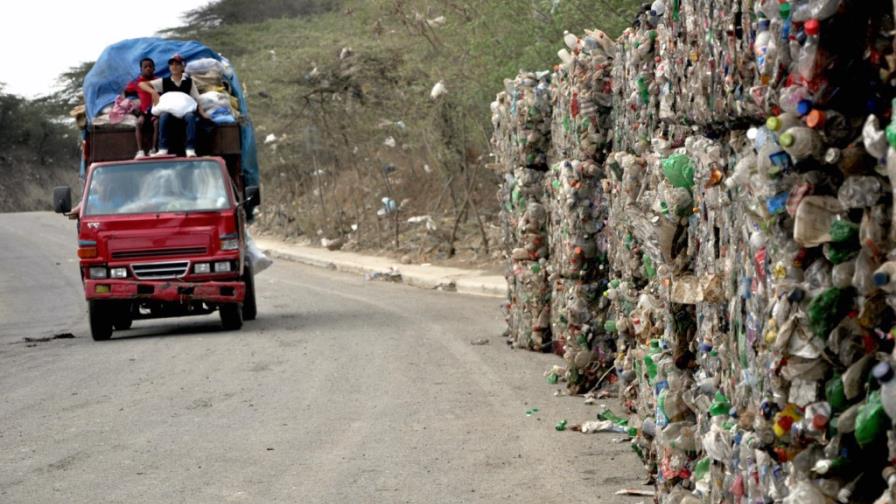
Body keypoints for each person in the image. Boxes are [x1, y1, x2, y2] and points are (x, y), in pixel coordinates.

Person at [139, 54, 208, 157]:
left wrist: (203, 113)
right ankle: (163, 149)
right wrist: (153, 92)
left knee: (190, 116)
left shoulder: (189, 82)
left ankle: (190, 149)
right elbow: (142, 84)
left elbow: (197, 99)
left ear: (182, 67)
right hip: (170, 112)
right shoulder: (164, 81)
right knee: (164, 115)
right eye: (172, 64)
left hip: (185, 112)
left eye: (177, 64)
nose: (174, 67)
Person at [124, 57, 159, 158]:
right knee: (138, 123)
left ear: (154, 68)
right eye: (145, 67)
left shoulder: (158, 81)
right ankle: (140, 151)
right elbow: (125, 92)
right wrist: (131, 106)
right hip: (143, 112)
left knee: (156, 123)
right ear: (141, 69)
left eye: (150, 66)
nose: (148, 68)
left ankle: (153, 149)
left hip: (156, 111)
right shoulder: (137, 83)